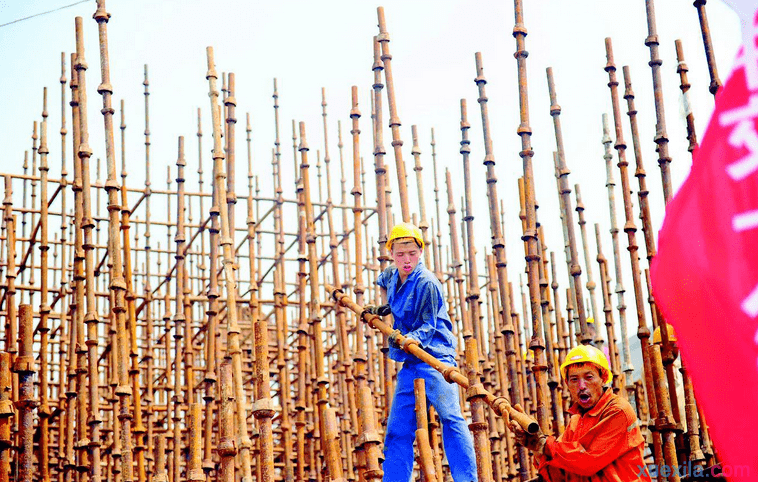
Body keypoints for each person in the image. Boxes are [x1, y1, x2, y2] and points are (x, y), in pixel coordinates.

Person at [373, 222, 477, 482]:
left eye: (411, 253)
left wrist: (405, 338)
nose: (406, 260)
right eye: (399, 254)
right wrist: (385, 308)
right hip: (411, 363)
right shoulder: (391, 275)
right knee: (398, 430)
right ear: (392, 254)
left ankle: (467, 479)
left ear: (420, 252)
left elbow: (428, 327)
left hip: (435, 358)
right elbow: (382, 282)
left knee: (451, 419)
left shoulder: (428, 283)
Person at [510, 345, 652, 482]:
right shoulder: (575, 422)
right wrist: (536, 449)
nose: (581, 386)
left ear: (603, 378)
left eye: (589, 377)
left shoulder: (618, 411)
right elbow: (559, 476)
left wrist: (543, 444)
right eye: (574, 379)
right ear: (567, 384)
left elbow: (588, 461)